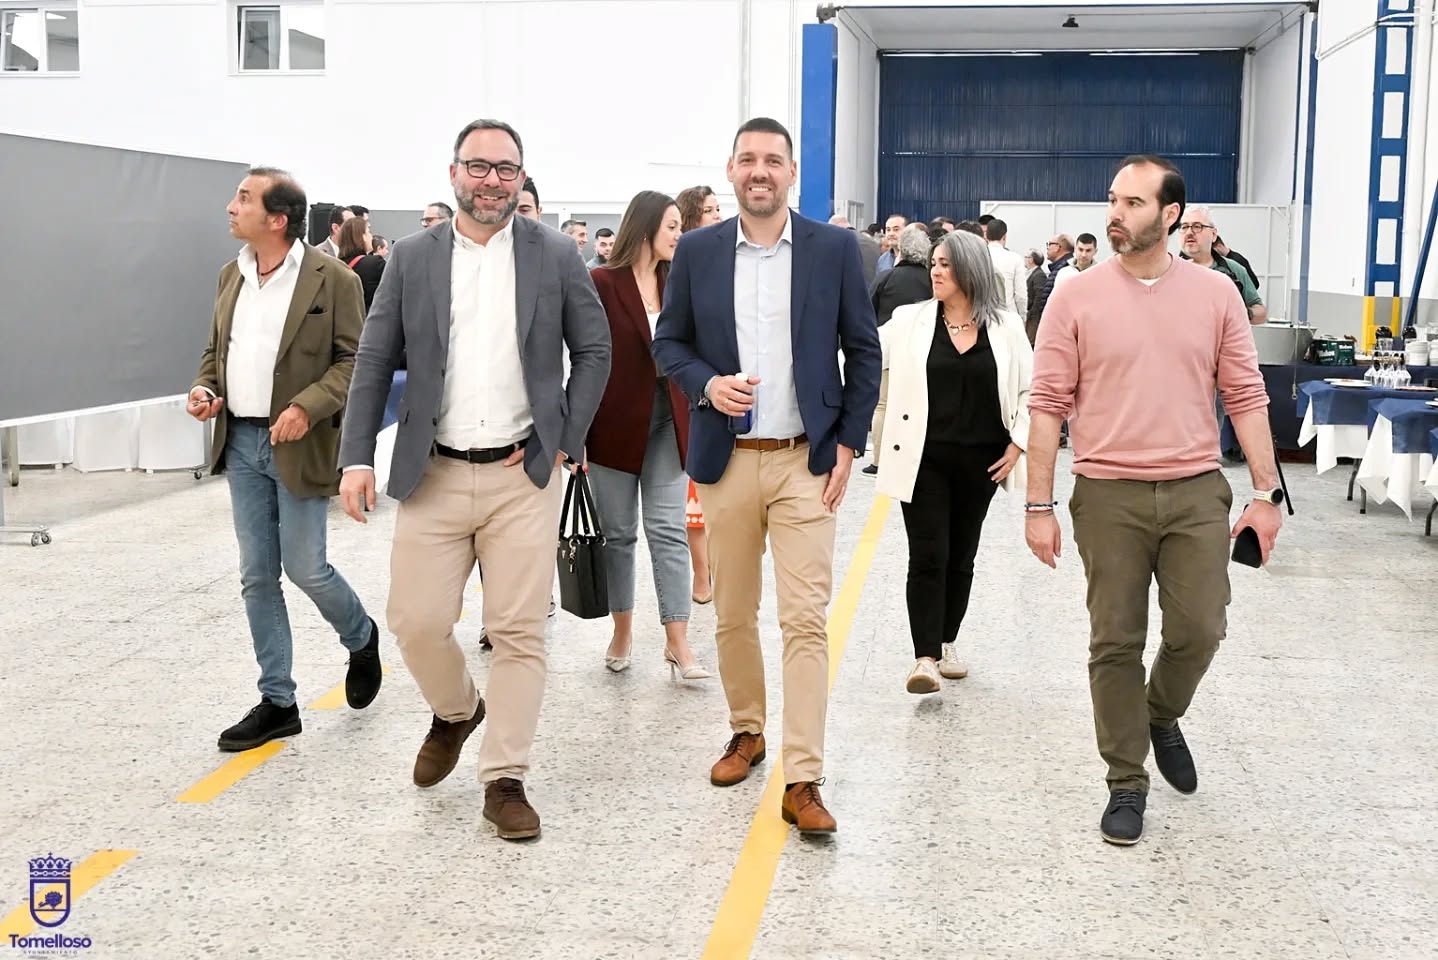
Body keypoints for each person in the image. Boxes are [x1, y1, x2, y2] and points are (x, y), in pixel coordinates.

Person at [337, 118, 611, 841]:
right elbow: (374, 359)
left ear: (521, 178)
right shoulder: (412, 258)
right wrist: (357, 455)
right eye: (479, 166)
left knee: (518, 633)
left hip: (523, 473)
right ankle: (458, 711)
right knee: (416, 622)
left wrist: (562, 440)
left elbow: (594, 350)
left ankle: (504, 778)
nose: (492, 181)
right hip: (433, 472)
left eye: (505, 169)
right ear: (454, 172)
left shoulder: (556, 254)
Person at [1025, 155, 1283, 846]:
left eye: (1133, 203)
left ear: (1171, 215)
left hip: (1196, 488)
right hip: (1107, 492)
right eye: (1113, 200)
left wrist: (1266, 493)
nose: (1116, 214)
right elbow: (1047, 404)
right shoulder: (1075, 296)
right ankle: (1126, 781)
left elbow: (1245, 395)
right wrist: (1038, 505)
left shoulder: (1216, 295)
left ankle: (1160, 713)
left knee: (1201, 629)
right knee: (1115, 639)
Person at [652, 117, 881, 835]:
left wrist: (849, 443)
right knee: (732, 612)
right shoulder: (697, 251)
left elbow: (863, 351)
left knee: (804, 619)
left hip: (804, 461)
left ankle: (803, 776)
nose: (760, 170)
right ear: (731, 169)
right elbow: (669, 342)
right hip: (726, 462)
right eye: (748, 159)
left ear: (791, 174)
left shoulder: (834, 249)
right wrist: (705, 384)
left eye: (773, 160)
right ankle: (746, 730)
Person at [188, 167, 379, 752]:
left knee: (306, 568)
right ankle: (278, 701)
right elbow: (216, 351)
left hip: (300, 443)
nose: (231, 206)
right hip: (241, 442)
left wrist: (306, 406)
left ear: (277, 218)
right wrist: (205, 388)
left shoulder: (332, 279)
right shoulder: (231, 274)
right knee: (256, 575)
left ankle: (361, 635)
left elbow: (353, 361)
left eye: (243, 198)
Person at [876, 231, 1032, 693]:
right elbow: (863, 353)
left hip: (983, 464)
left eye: (946, 264)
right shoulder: (910, 320)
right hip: (922, 460)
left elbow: (1032, 389)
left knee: (962, 558)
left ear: (970, 270)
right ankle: (924, 658)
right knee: (929, 555)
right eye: (934, 263)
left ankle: (946, 642)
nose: (936, 271)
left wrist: (1018, 444)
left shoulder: (1007, 328)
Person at [586, 191, 712, 681]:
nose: (679, 235)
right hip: (613, 421)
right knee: (618, 534)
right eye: (672, 226)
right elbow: (584, 353)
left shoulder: (677, 281)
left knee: (668, 529)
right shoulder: (601, 282)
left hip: (670, 417)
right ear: (645, 229)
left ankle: (677, 640)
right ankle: (622, 630)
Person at [673, 185, 726, 604]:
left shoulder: (724, 259)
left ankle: (719, 568)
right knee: (693, 495)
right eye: (709, 210)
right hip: (686, 390)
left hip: (722, 390)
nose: (717, 215)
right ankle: (701, 573)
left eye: (718, 208)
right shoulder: (680, 263)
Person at [863, 222, 933, 478]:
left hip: (888, 347)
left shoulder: (886, 277)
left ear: (901, 250)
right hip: (922, 349)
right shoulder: (932, 280)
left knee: (883, 405)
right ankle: (915, 456)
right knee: (918, 405)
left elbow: (868, 311)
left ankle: (879, 460)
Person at [336, 215, 385, 311]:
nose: (371, 236)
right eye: (368, 232)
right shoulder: (375, 263)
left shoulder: (336, 264)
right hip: (369, 317)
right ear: (361, 236)